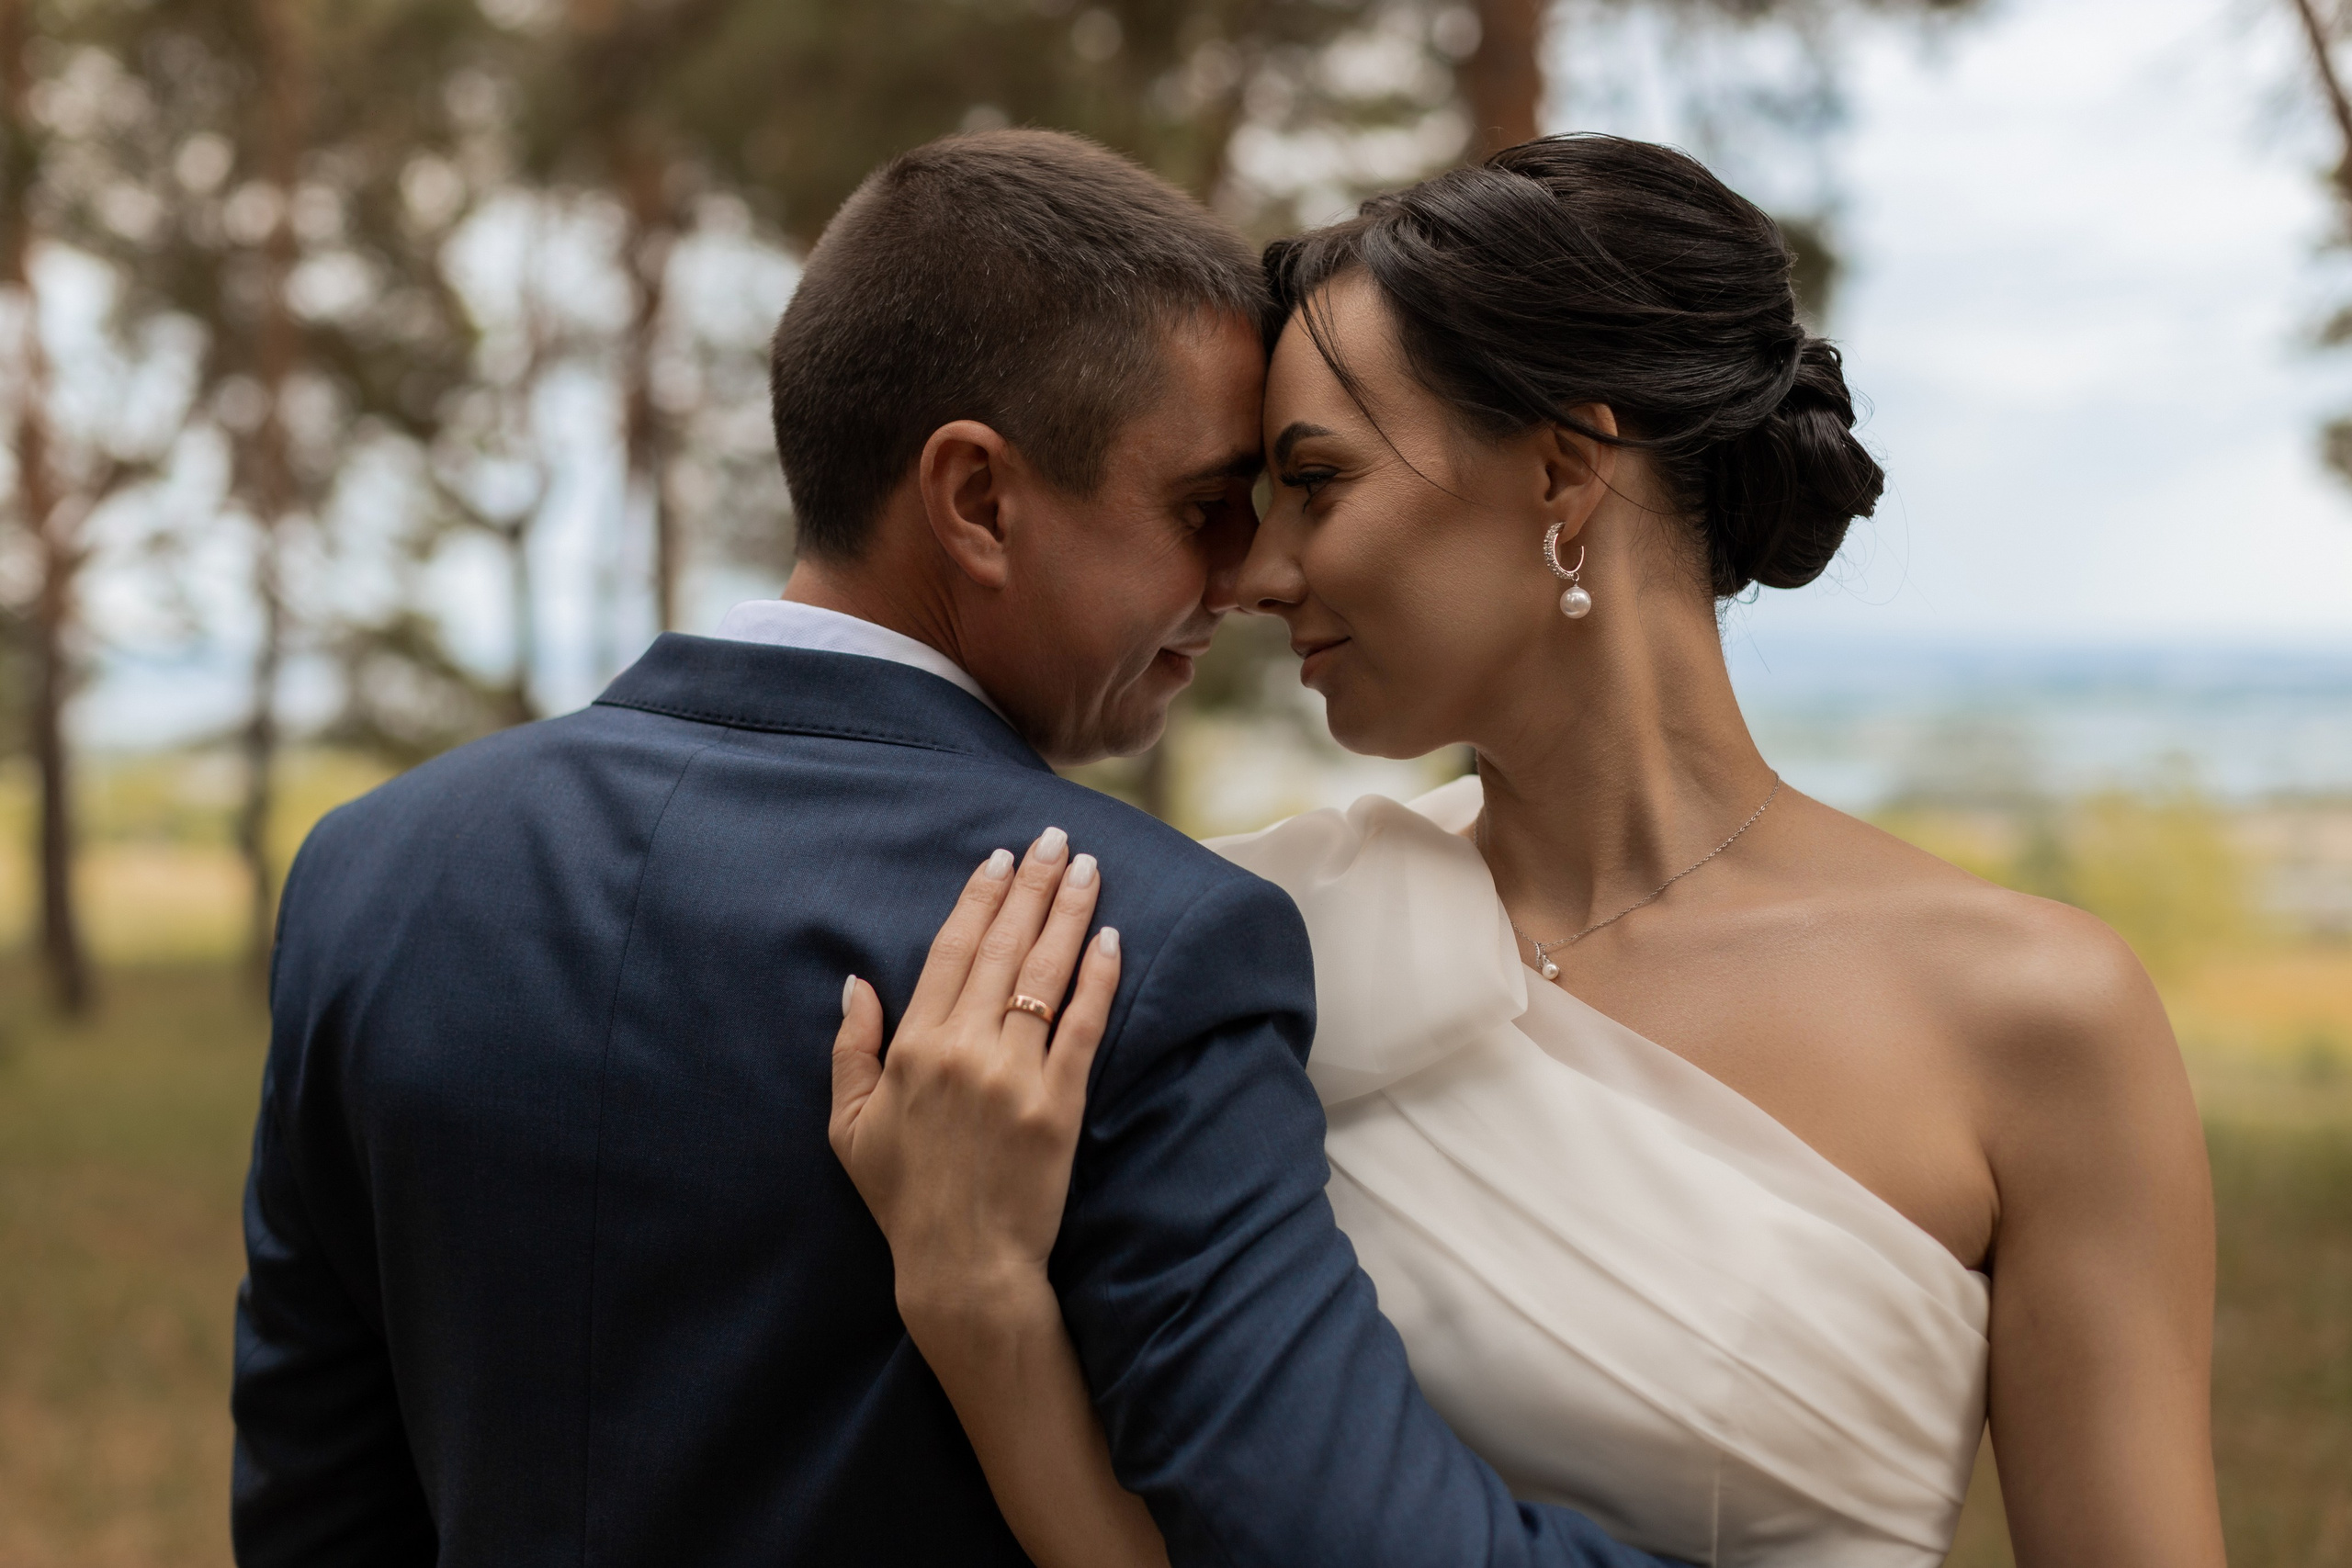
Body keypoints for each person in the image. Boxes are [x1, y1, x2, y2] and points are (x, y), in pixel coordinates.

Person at [232, 129, 1674, 1567]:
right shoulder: (1134, 944)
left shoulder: (373, 871)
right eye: (1199, 510)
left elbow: (315, 1511)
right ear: (979, 500)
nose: (1241, 581)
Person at [829, 136, 2229, 1568]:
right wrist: (985, 1313)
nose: (1252, 572)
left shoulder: (2039, 1019)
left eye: (1316, 482)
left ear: (1563, 475)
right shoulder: (1249, 941)